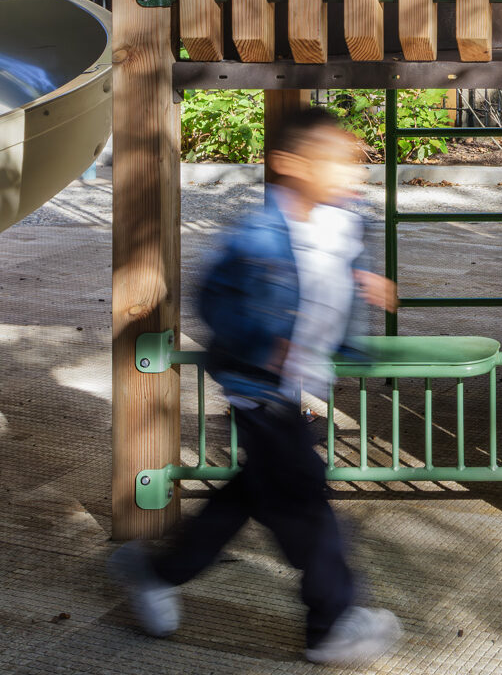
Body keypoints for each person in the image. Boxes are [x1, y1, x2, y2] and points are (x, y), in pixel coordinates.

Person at [109, 108, 402, 667]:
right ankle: (331, 623)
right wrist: (263, 343)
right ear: (290, 166)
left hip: (302, 388)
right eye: (338, 164)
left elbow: (330, 279)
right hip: (260, 390)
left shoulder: (344, 223)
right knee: (304, 502)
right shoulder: (256, 237)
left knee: (249, 493)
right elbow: (211, 300)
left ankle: (155, 573)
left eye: (355, 164)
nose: (353, 176)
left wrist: (361, 284)